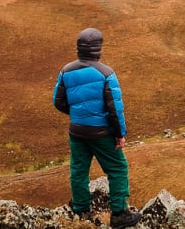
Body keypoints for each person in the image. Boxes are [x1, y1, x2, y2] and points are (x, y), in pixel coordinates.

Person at [54, 27, 140, 227]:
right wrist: (120, 134)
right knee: (118, 168)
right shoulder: (106, 73)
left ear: (80, 47)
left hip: (77, 130)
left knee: (78, 170)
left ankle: (81, 209)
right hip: (101, 132)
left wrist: (78, 114)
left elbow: (58, 101)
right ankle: (119, 214)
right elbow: (114, 109)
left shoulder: (66, 71)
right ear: (98, 48)